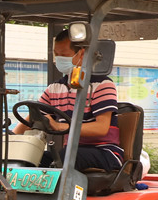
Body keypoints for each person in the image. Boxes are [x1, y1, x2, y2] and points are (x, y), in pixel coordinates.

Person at [13, 29, 124, 172]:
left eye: (64, 55)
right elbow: (33, 116)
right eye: (57, 54)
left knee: (66, 156)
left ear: (82, 54)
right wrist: (11, 139)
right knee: (31, 159)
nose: (59, 59)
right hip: (72, 151)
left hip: (105, 152)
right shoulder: (55, 88)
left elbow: (101, 128)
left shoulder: (102, 85)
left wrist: (59, 126)